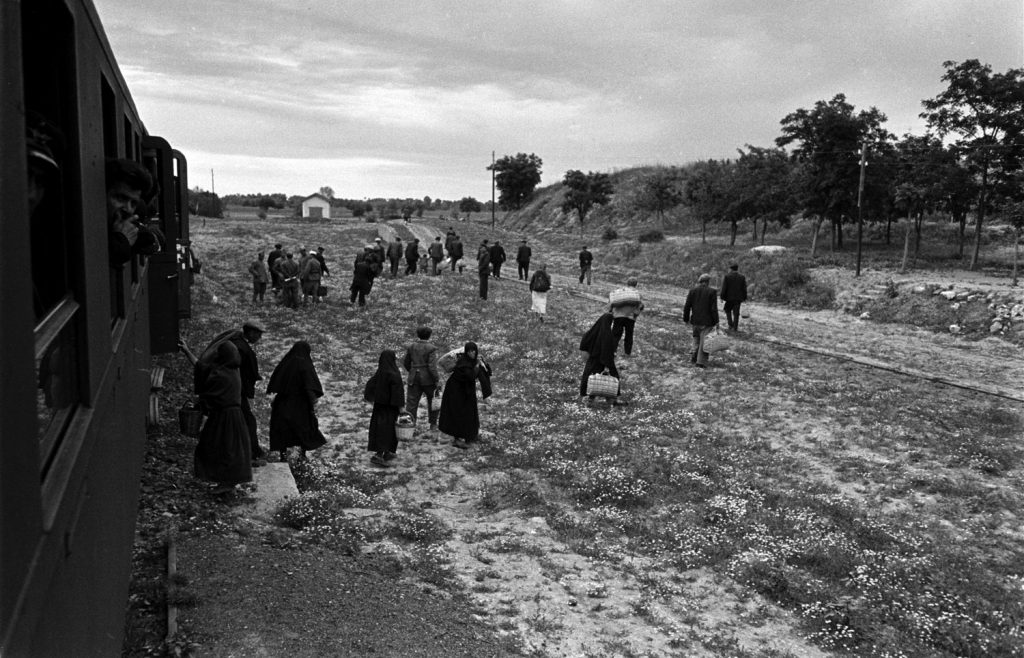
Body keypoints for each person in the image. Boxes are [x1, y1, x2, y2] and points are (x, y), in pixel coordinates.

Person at [180, 321, 267, 463]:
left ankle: (248, 455)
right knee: (244, 425)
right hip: (231, 404)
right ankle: (249, 455)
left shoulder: (230, 354)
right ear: (250, 332)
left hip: (229, 403)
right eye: (258, 334)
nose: (259, 337)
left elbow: (201, 367)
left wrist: (187, 351)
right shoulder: (235, 359)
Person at [193, 341, 253, 495]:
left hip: (224, 416)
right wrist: (187, 351)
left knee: (218, 447)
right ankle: (226, 482)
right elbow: (204, 369)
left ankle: (225, 484)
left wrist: (202, 402)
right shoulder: (233, 370)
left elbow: (209, 390)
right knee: (229, 449)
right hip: (234, 416)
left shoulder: (221, 374)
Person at [267, 341, 327, 461]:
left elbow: (277, 381)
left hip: (282, 403)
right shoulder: (304, 364)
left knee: (282, 430)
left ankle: (283, 456)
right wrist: (313, 401)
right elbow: (309, 384)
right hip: (300, 404)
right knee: (303, 429)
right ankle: (302, 455)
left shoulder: (286, 362)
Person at [107, 158, 163, 267]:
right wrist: (122, 242)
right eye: (120, 198)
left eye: (133, 203)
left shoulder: (130, 225)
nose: (128, 209)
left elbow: (152, 244)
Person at [438, 342, 492, 449]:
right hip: (456, 392)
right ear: (466, 352)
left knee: (469, 413)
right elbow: (471, 376)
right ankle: (459, 437)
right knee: (460, 413)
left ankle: (469, 436)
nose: (472, 353)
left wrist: (483, 364)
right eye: (470, 351)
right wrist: (477, 365)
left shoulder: (472, 360)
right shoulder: (463, 363)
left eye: (474, 351)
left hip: (466, 391)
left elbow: (486, 372)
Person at [363, 349, 405, 466]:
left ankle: (386, 452)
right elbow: (398, 392)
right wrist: (401, 407)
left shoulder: (379, 373)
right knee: (388, 431)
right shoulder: (394, 374)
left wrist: (371, 399)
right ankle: (379, 455)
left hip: (379, 408)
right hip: (391, 408)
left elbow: (369, 385)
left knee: (379, 429)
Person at [578, 311, 625, 404]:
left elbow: (584, 343)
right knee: (612, 378)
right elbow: (607, 350)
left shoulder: (592, 331)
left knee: (589, 379)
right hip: (604, 360)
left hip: (592, 360)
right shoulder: (607, 335)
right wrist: (607, 365)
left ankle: (587, 398)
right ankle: (612, 399)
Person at [402, 326, 440, 435]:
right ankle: (433, 425)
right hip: (428, 379)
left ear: (418, 334)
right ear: (429, 335)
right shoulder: (431, 348)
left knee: (411, 403)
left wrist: (412, 371)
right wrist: (436, 379)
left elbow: (406, 362)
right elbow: (432, 367)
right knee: (433, 401)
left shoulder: (411, 347)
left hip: (414, 377)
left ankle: (410, 426)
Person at [683, 273, 720, 368]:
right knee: (704, 342)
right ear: (707, 282)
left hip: (695, 320)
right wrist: (716, 321)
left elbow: (687, 306)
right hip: (707, 322)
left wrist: (686, 319)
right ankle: (700, 362)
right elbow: (713, 309)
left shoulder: (692, 291)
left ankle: (693, 357)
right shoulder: (712, 292)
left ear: (700, 281)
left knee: (696, 338)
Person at [609, 278, 644, 357]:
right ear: (636, 284)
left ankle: (612, 351)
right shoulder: (637, 294)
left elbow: (612, 303)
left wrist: (611, 311)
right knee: (629, 335)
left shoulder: (620, 292)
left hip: (618, 316)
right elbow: (640, 306)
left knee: (615, 335)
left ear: (627, 284)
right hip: (630, 317)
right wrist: (637, 312)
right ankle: (627, 353)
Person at [720, 263, 748, 331]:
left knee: (727, 310)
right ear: (737, 269)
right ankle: (735, 327)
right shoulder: (742, 277)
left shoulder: (727, 276)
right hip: (738, 298)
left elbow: (724, 288)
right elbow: (744, 288)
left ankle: (730, 324)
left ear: (731, 269)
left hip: (729, 298)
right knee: (736, 313)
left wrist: (722, 296)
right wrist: (744, 297)